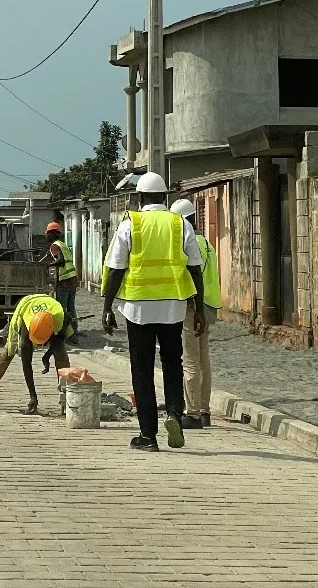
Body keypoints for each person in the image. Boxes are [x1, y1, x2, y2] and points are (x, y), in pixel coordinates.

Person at [102, 173, 206, 452]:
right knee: (173, 363)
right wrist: (199, 310)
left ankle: (148, 436)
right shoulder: (179, 223)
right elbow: (195, 267)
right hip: (173, 306)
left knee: (142, 370)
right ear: (165, 196)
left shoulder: (130, 225)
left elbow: (115, 270)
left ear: (140, 197)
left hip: (138, 309)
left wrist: (107, 307)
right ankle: (174, 412)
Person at [0, 293, 73, 414]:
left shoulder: (61, 316)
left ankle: (70, 398)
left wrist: (47, 356)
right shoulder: (25, 330)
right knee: (7, 353)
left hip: (49, 308)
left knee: (61, 355)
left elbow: (59, 339)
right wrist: (33, 397)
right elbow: (27, 365)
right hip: (25, 307)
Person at [172, 198, 220, 429]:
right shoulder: (206, 243)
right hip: (209, 305)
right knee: (203, 360)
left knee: (189, 360)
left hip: (193, 307)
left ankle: (192, 413)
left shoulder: (191, 244)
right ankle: (205, 410)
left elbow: (191, 276)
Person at [45, 222, 78, 336]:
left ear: (53, 234)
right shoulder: (62, 244)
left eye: (48, 233)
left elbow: (61, 260)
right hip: (72, 279)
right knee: (71, 308)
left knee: (62, 309)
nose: (46, 236)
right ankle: (73, 333)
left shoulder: (54, 246)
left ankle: (63, 333)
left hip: (64, 281)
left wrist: (48, 265)